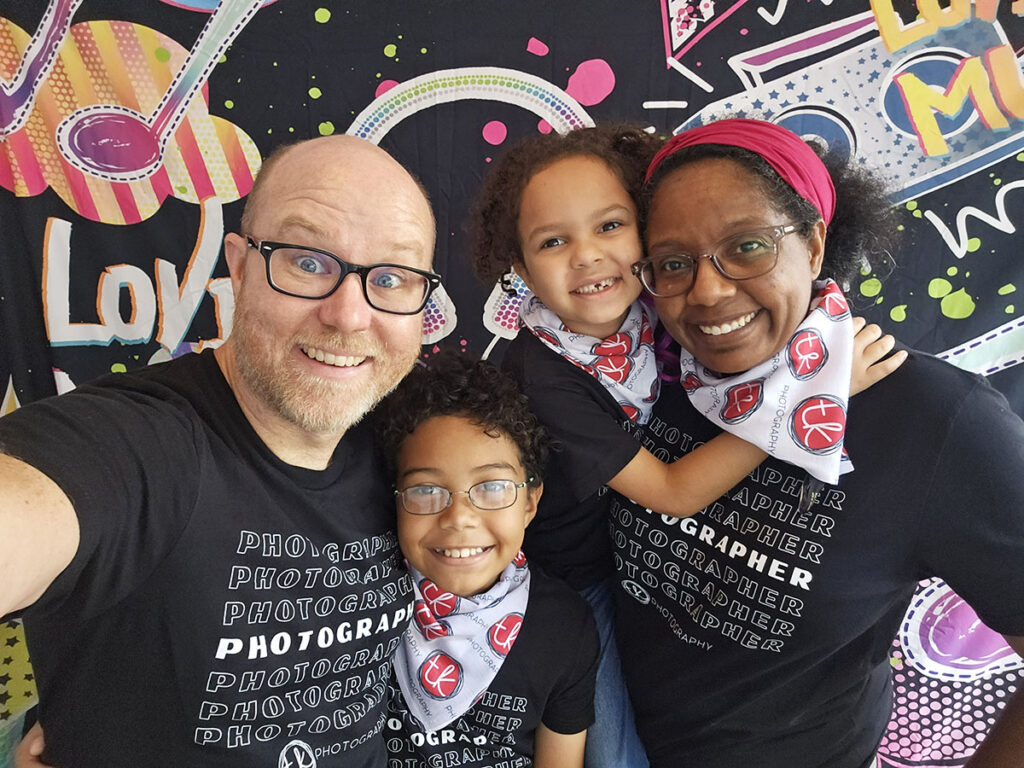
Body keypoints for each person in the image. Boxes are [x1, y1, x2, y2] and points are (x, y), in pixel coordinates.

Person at [469, 123, 904, 768]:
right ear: (520, 269)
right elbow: (675, 492)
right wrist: (805, 395)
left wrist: (817, 355)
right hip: (582, 578)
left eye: (610, 226)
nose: (587, 256)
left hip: (660, 568)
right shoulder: (544, 373)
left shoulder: (669, 305)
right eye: (554, 241)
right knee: (616, 751)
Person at [0, 134, 441, 765]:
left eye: (393, 277)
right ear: (237, 266)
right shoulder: (143, 444)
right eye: (308, 262)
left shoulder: (412, 437)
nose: (348, 316)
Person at [613, 117, 1024, 768]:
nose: (710, 290)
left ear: (812, 242)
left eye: (747, 246)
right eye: (672, 263)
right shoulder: (643, 381)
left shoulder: (934, 420)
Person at [375, 353, 599, 767]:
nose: (459, 518)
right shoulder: (364, 607)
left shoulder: (565, 627)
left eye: (492, 487)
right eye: (425, 490)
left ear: (530, 502)